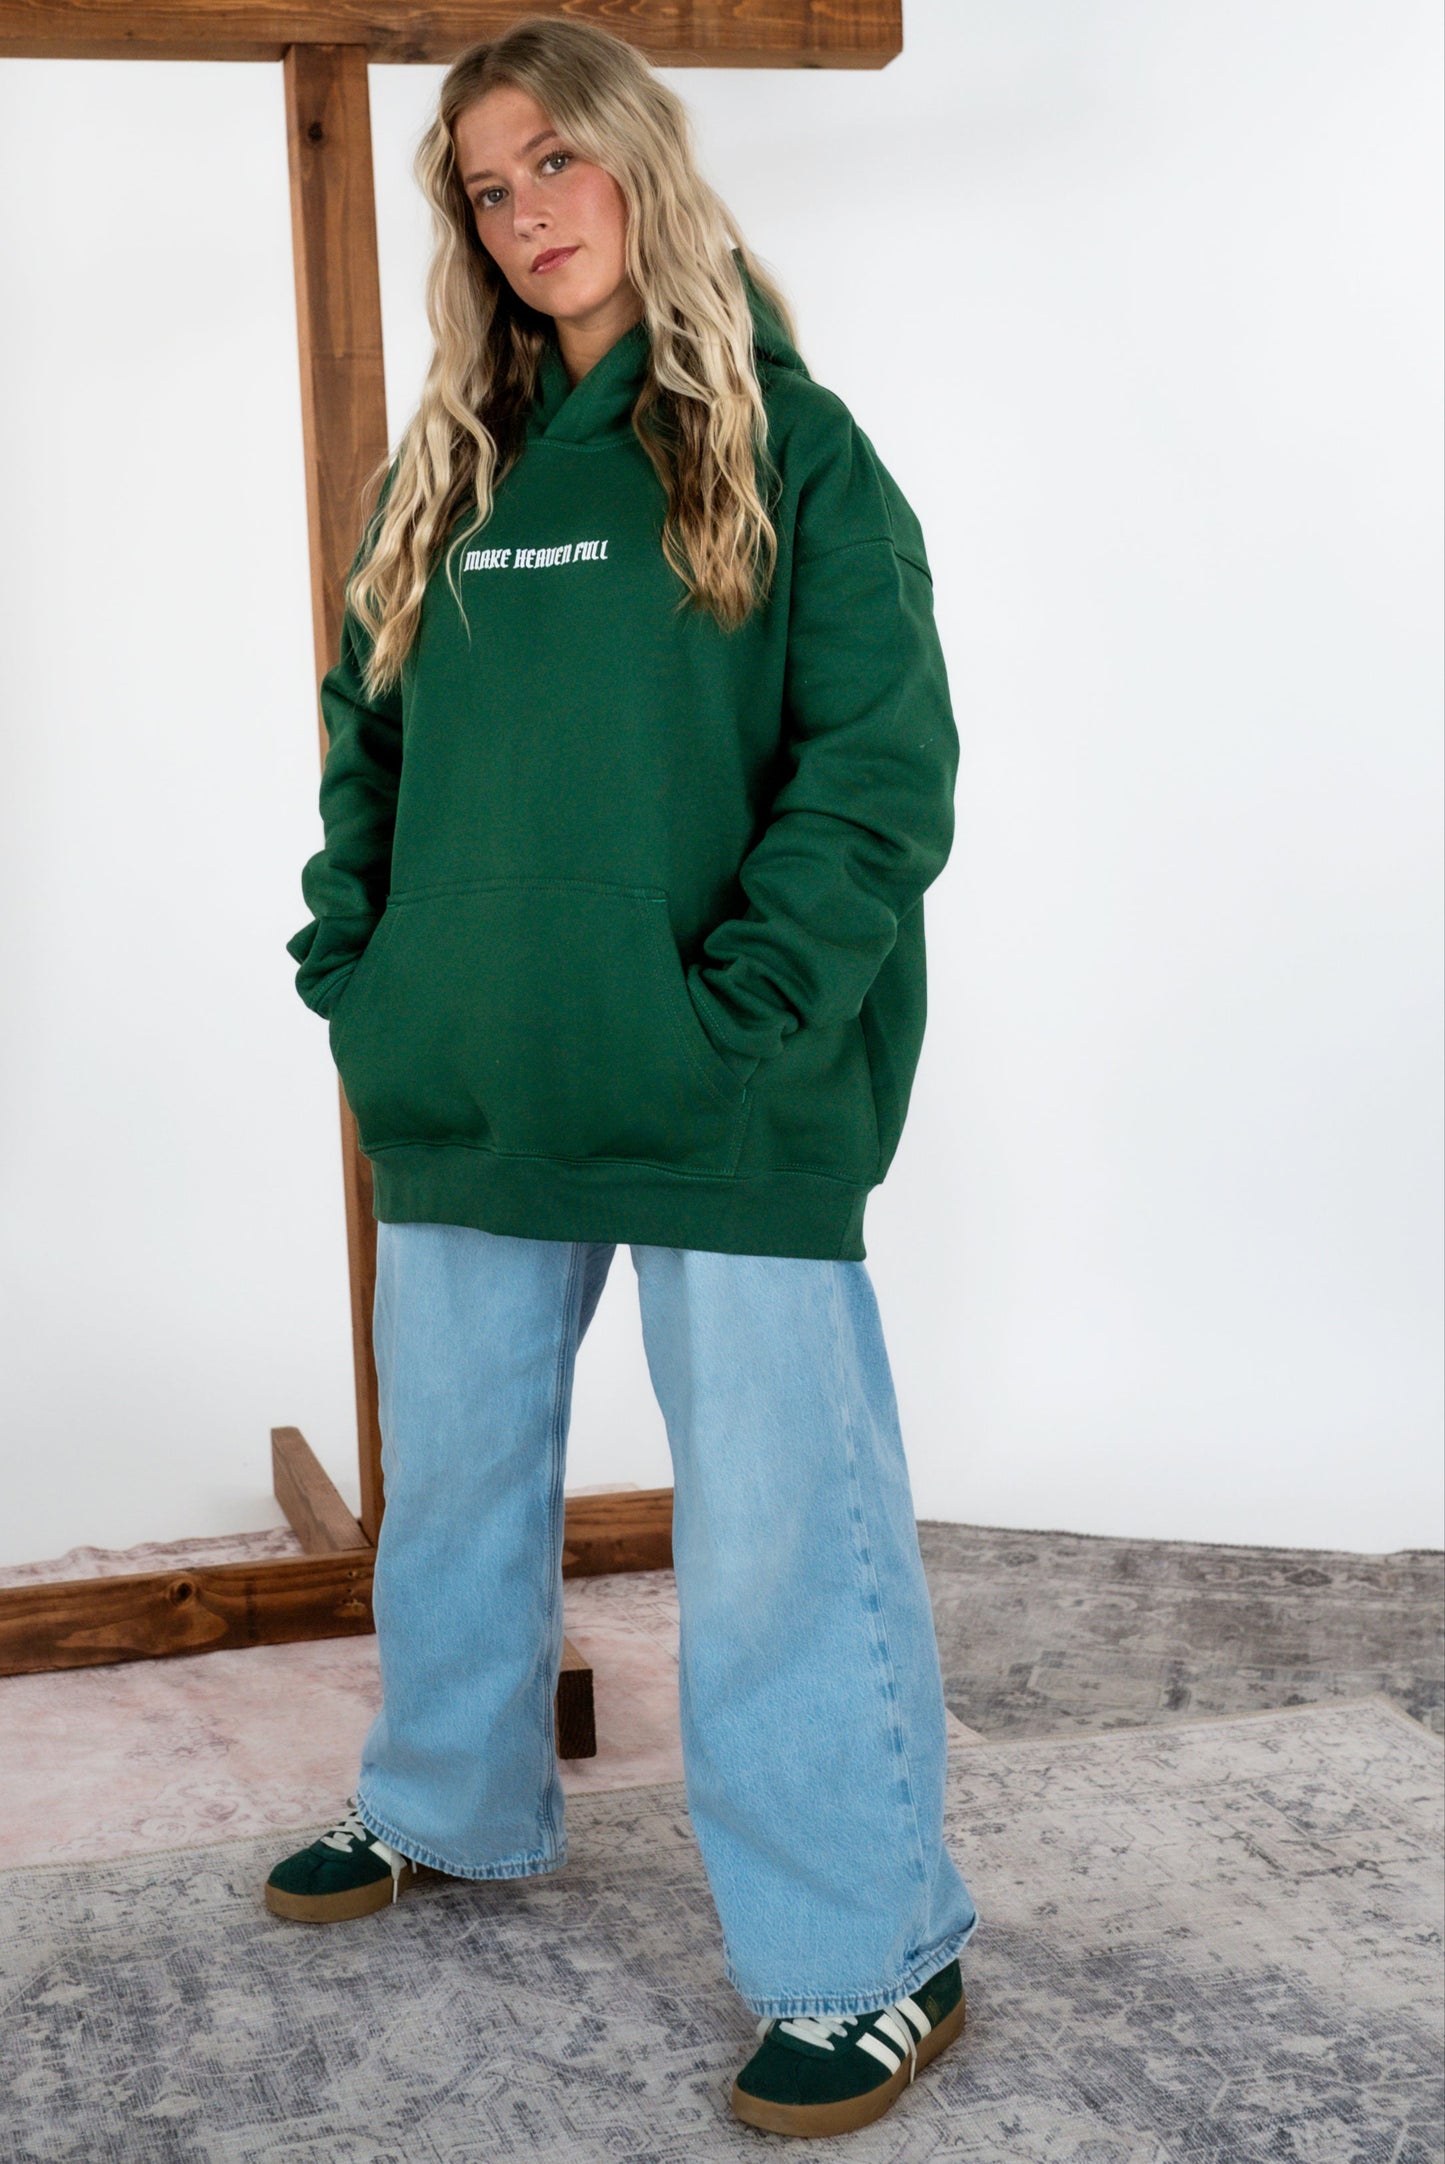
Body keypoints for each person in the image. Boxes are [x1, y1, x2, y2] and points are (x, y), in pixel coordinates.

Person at [265, 12, 978, 2139]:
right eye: (487, 189)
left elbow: (880, 767)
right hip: (471, 1079)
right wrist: (364, 975)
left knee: (773, 1534)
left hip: (721, 1093)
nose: (525, 213)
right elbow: (367, 751)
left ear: (637, 162)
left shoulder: (792, 446)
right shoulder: (449, 479)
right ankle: (450, 1800)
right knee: (456, 1478)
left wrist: (746, 1011)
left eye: (554, 162)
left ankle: (870, 1952)